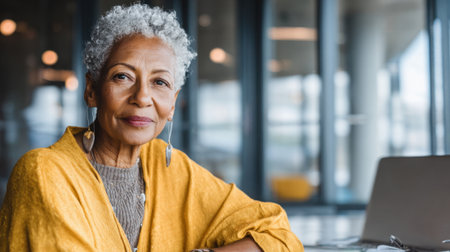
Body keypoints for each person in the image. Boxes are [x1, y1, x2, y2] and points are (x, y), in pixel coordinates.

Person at [0, 4, 302, 252]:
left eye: (160, 82)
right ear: (92, 90)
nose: (142, 97)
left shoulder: (171, 168)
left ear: (172, 104)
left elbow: (277, 234)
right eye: (122, 76)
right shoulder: (43, 172)